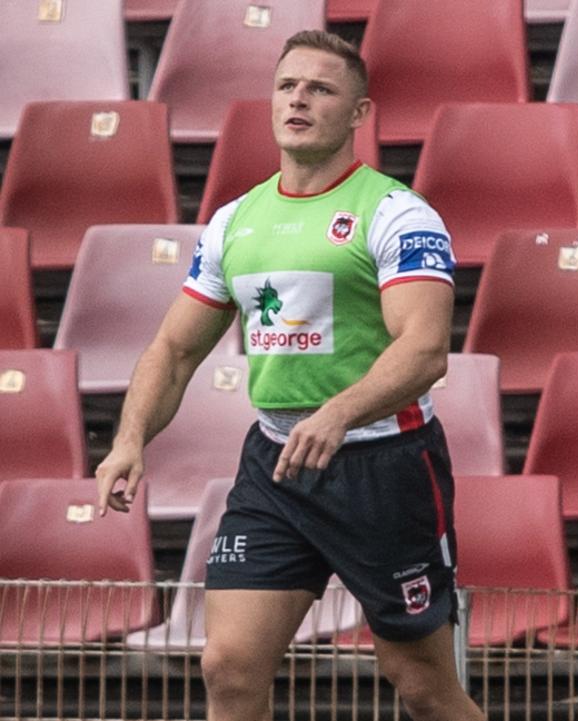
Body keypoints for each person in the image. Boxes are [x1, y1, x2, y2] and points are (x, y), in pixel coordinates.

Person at [95, 30, 484, 721]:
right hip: (277, 467)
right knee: (228, 666)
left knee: (422, 684)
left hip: (384, 465)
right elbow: (175, 350)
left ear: (360, 113)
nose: (298, 98)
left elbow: (425, 350)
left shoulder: (397, 213)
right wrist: (130, 439)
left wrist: (339, 412)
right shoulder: (233, 222)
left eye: (320, 88)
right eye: (287, 85)